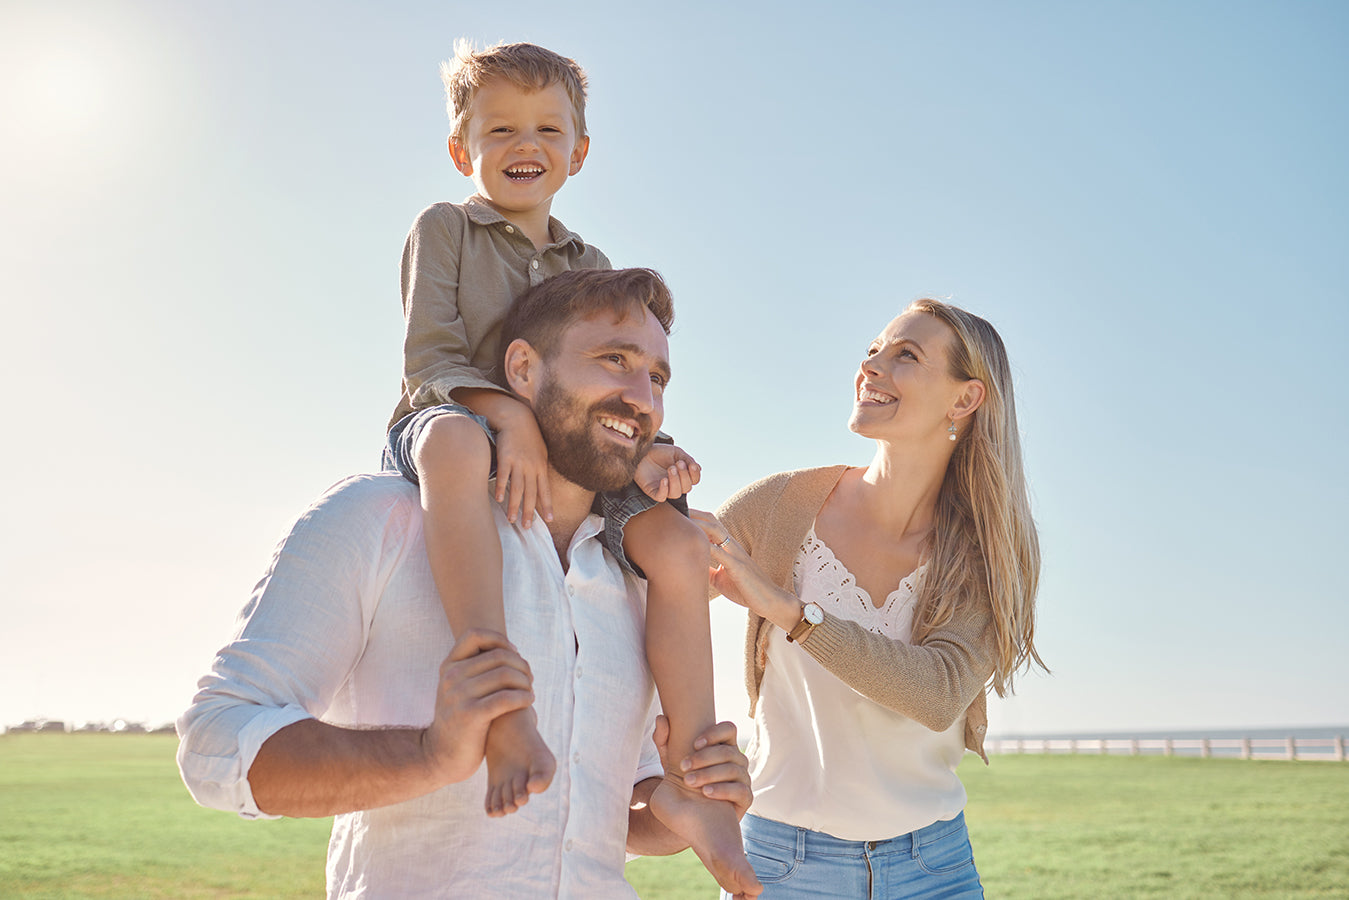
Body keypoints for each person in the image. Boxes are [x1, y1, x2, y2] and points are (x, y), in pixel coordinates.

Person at [178, 268, 762, 899]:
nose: (642, 398)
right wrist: (430, 755)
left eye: (657, 377)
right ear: (523, 369)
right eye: (613, 358)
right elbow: (216, 744)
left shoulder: (639, 579)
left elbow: (599, 808)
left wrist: (671, 809)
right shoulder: (381, 517)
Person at [383, 40, 747, 888]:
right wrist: (505, 413)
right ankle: (502, 707)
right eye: (500, 127)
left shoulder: (590, 265)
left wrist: (653, 448)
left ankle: (696, 784)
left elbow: (613, 379)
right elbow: (428, 358)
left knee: (679, 543)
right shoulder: (444, 229)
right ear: (459, 148)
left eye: (549, 128)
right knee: (452, 441)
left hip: (573, 459)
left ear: (578, 153)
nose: (526, 143)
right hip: (457, 419)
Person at [692, 299, 1045, 898]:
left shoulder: (989, 547)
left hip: (933, 868)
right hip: (782, 861)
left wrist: (789, 611)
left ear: (965, 400)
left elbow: (936, 693)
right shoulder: (779, 506)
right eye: (873, 350)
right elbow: (653, 605)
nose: (872, 366)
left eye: (905, 355)